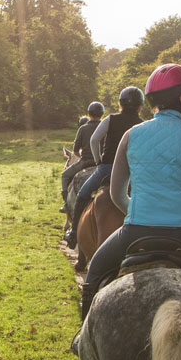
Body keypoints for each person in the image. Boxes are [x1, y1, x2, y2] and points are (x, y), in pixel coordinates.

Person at [79, 64, 181, 319]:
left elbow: (117, 193)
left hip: (137, 228)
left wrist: (140, 211)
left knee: (96, 269)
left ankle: (82, 334)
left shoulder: (131, 135)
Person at [65, 86, 144, 246]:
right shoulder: (143, 124)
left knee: (82, 196)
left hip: (107, 168)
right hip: (132, 173)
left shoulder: (111, 119)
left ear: (120, 103)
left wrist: (98, 160)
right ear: (140, 106)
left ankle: (73, 233)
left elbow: (95, 140)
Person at [59, 100, 105, 210]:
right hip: (102, 163)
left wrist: (83, 155)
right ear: (101, 114)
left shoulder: (83, 128)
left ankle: (66, 204)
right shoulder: (106, 127)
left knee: (64, 176)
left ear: (89, 114)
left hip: (85, 162)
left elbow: (75, 151)